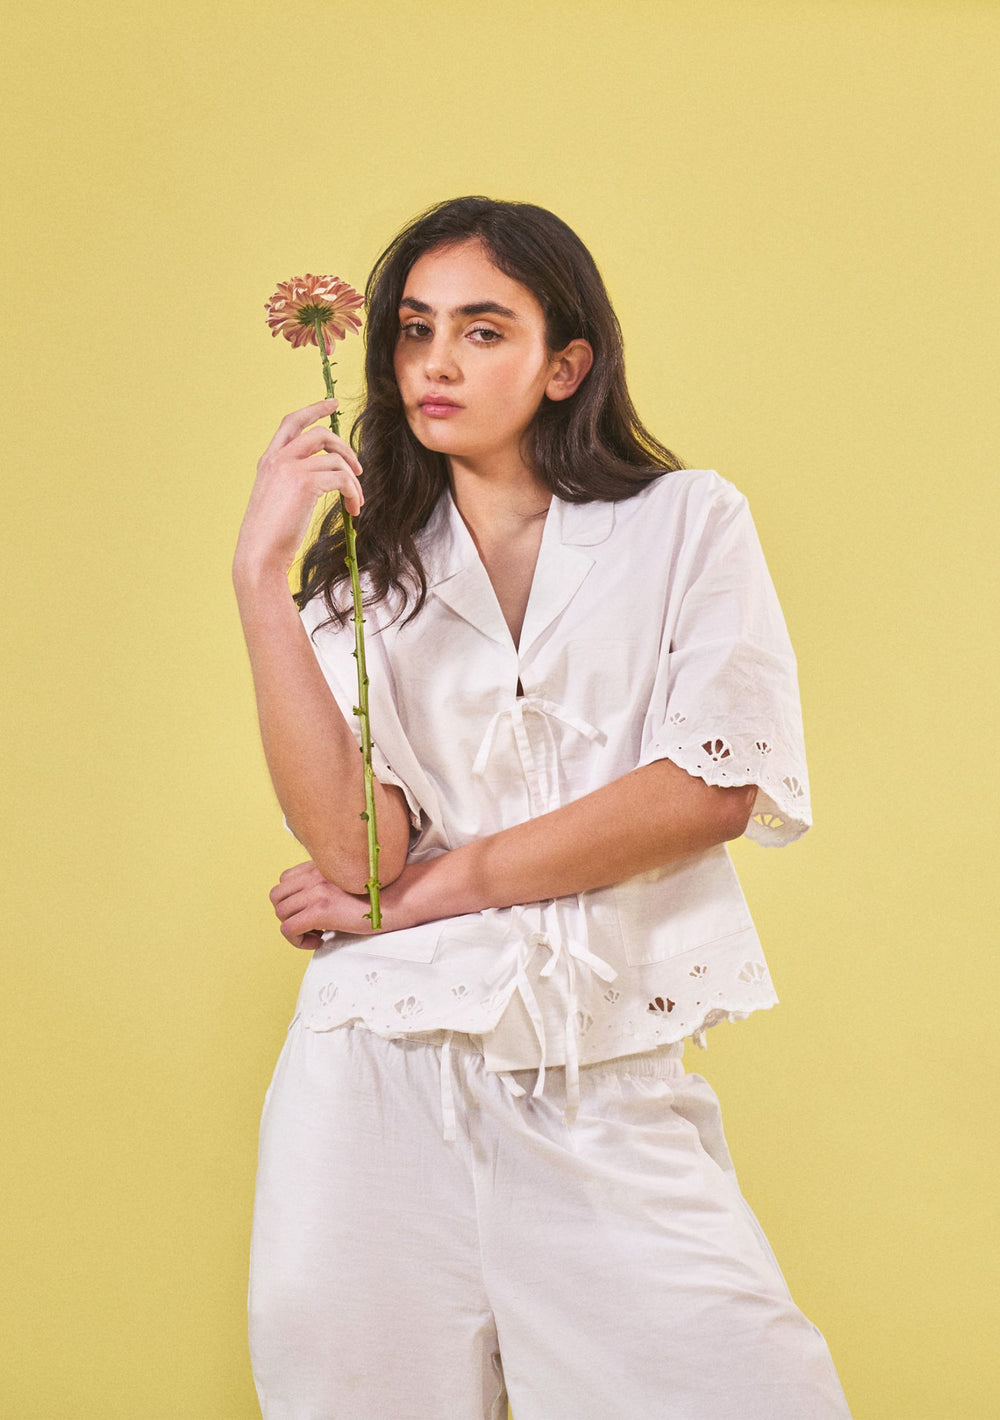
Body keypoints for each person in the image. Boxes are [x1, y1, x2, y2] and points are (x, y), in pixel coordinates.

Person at [233, 196, 852, 1420]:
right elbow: (352, 853)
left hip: (598, 1066)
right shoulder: (364, 578)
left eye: (481, 329)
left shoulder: (685, 525)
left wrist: (430, 890)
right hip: (376, 1077)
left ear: (565, 363)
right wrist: (260, 575)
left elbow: (706, 788)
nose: (436, 364)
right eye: (413, 332)